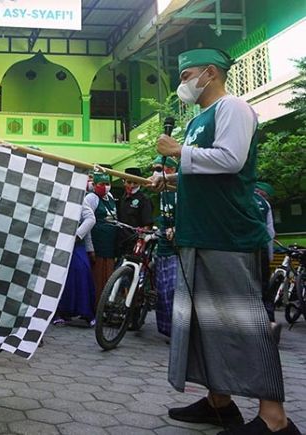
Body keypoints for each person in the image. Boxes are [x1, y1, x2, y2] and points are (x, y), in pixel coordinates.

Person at [152, 48, 299, 435]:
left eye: (187, 75)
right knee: (204, 324)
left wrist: (178, 153)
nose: (182, 83)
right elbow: (206, 169)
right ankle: (220, 404)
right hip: (199, 234)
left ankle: (274, 419)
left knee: (244, 324)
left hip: (229, 236)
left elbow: (231, 160)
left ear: (211, 73)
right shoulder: (198, 119)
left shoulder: (233, 108)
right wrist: (171, 177)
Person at [54, 203, 96, 326]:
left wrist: (76, 235)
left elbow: (90, 219)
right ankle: (58, 313)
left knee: (82, 271)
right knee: (57, 276)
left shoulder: (80, 197)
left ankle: (86, 312)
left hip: (76, 243)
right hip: (56, 242)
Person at [152, 156, 178, 338]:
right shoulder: (161, 190)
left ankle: (179, 331)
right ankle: (167, 329)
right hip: (162, 245)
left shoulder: (180, 189)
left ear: (169, 170)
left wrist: (177, 228)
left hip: (177, 247)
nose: (154, 172)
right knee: (162, 292)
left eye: (158, 168)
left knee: (173, 290)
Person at [84, 172, 118, 305]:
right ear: (94, 185)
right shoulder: (91, 199)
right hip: (97, 245)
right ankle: (95, 307)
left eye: (107, 184)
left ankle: (106, 307)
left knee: (108, 277)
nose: (105, 187)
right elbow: (87, 223)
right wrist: (90, 248)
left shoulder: (110, 196)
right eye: (102, 184)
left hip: (109, 245)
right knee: (96, 279)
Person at [254, 181, 278, 325]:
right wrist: (269, 256)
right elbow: (270, 232)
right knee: (263, 285)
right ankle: (268, 321)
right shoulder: (265, 204)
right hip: (261, 247)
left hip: (240, 249)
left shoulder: (239, 197)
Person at [117, 167, 153, 256]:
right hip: (121, 241)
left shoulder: (144, 200)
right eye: (129, 182)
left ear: (140, 183)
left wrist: (140, 242)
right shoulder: (122, 197)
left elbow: (147, 225)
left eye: (135, 183)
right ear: (124, 181)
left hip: (135, 243)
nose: (132, 186)